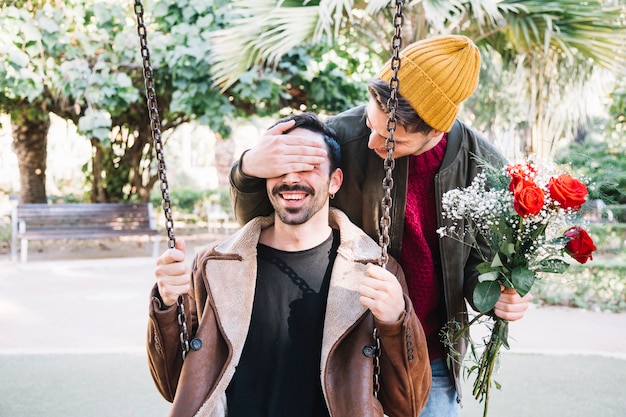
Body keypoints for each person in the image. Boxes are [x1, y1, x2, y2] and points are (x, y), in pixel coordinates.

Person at [228, 35, 533, 416]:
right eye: (371, 123)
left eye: (391, 141)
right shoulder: (341, 134)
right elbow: (263, 218)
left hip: (424, 355)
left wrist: (499, 295)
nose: (372, 141)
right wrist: (249, 169)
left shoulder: (481, 166)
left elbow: (482, 267)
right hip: (340, 344)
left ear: (436, 132)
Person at [147, 113, 432, 417]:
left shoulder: (376, 270)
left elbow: (408, 405)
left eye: (308, 167)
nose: (292, 178)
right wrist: (166, 305)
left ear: (334, 181)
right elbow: (174, 387)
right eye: (279, 166)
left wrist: (395, 322)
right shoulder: (215, 267)